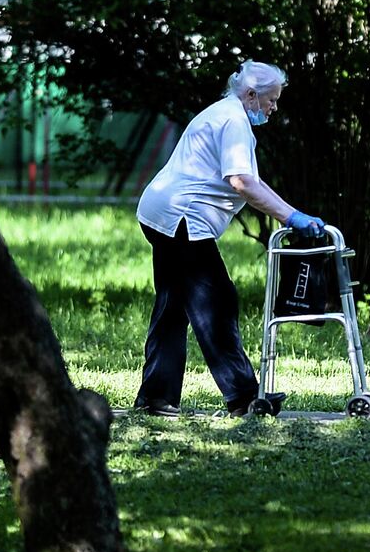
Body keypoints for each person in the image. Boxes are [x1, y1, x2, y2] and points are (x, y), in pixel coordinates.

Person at [132, 60, 327, 418]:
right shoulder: (234, 120)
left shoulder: (224, 114)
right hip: (182, 220)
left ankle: (155, 397)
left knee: (173, 308)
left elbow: (252, 181)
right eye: (271, 100)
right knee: (217, 302)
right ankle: (242, 396)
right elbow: (242, 182)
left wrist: (292, 212)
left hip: (162, 213)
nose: (274, 107)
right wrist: (292, 217)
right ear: (251, 94)